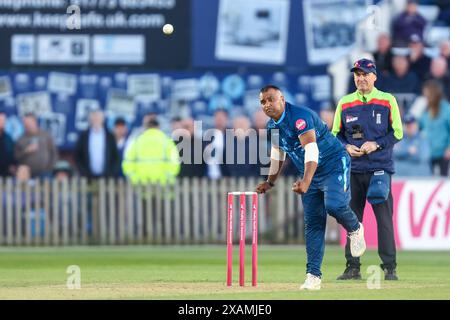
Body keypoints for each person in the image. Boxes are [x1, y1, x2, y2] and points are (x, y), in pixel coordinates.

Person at [255, 85, 366, 290]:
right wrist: (270, 181)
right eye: (263, 102)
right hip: (310, 173)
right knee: (313, 224)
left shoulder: (300, 116)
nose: (267, 105)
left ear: (282, 98)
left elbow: (311, 149)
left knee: (334, 205)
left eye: (270, 99)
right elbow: (279, 154)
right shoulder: (272, 127)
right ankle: (313, 275)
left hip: (333, 163)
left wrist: (305, 181)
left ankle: (355, 227)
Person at [332, 58, 403, 281]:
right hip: (353, 169)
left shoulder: (387, 100)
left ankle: (389, 268)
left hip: (380, 168)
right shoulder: (344, 102)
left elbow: (398, 133)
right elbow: (335, 134)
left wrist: (376, 144)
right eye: (357, 74)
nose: (360, 78)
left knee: (383, 220)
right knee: (353, 220)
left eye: (364, 74)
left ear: (374, 76)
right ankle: (352, 267)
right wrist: (346, 147)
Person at [122, 116, 180, 185]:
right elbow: (175, 162)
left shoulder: (137, 142)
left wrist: (135, 179)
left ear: (146, 127)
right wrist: (167, 178)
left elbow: (127, 162)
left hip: (141, 185)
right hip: (163, 186)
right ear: (158, 127)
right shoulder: (167, 142)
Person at [74, 109, 119, 178]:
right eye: (94, 118)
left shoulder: (110, 136)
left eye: (98, 118)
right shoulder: (84, 136)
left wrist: (111, 173)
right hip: (87, 177)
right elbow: (77, 156)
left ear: (103, 119)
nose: (96, 120)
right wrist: (83, 172)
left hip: (106, 178)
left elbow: (115, 156)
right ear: (90, 120)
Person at [419, 79, 450, 176]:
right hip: (427, 152)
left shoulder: (446, 108)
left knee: (443, 181)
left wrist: (449, 148)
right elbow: (420, 127)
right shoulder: (424, 109)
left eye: (426, 92)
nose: (424, 95)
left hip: (443, 152)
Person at [14, 113, 58, 179]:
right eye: (25, 123)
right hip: (27, 174)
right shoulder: (20, 139)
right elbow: (16, 157)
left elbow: (53, 153)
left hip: (45, 173)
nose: (26, 125)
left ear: (35, 122)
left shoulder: (46, 136)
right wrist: (26, 151)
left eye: (28, 123)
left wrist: (50, 168)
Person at [0, 112, 15, 177]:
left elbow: (12, 154)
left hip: (6, 173)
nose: (3, 122)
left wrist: (13, 164)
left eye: (4, 120)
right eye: (0, 120)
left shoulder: (8, 138)